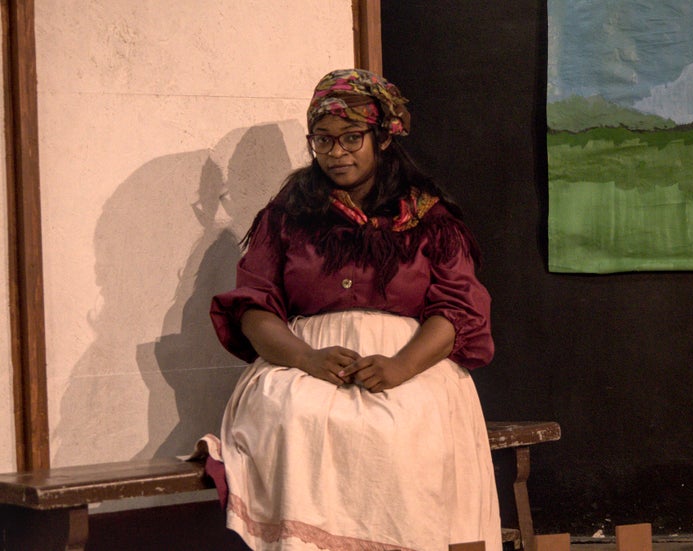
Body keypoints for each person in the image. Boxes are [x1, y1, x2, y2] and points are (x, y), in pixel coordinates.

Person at [204, 68, 501, 550]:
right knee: (293, 411)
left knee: (408, 425)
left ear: (382, 137)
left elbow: (457, 310)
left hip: (410, 363)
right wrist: (305, 359)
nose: (336, 153)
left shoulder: (430, 218)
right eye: (322, 141)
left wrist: (401, 366)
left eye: (350, 138)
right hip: (307, 362)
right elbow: (254, 308)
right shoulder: (288, 214)